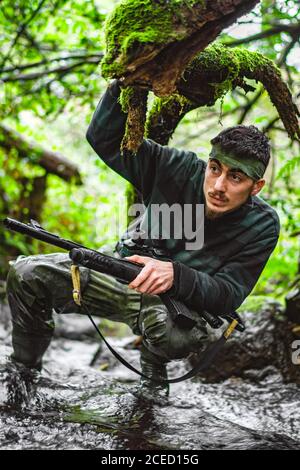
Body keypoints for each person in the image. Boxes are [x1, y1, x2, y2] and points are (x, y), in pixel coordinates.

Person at [6, 80, 280, 396]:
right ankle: (24, 374)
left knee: (174, 338)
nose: (218, 185)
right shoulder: (176, 167)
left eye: (235, 177)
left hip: (177, 309)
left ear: (255, 187)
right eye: (215, 168)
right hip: (118, 270)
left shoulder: (263, 225)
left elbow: (230, 293)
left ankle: (153, 375)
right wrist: (124, 84)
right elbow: (105, 140)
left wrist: (176, 275)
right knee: (26, 274)